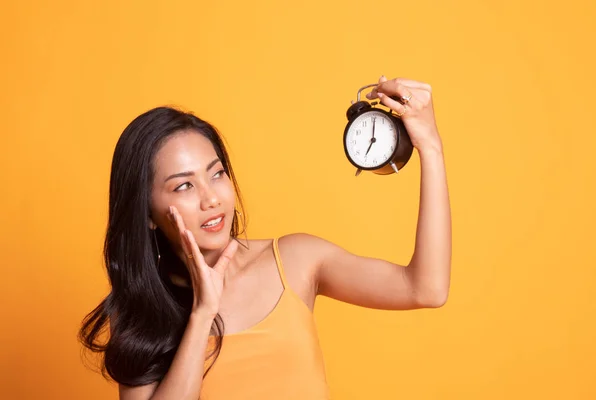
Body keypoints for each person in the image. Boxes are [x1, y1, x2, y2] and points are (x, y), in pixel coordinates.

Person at [79, 75, 452, 400]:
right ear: (146, 213)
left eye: (217, 174)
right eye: (184, 186)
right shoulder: (144, 314)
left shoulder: (295, 260)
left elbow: (426, 289)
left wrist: (431, 149)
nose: (211, 199)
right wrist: (202, 312)